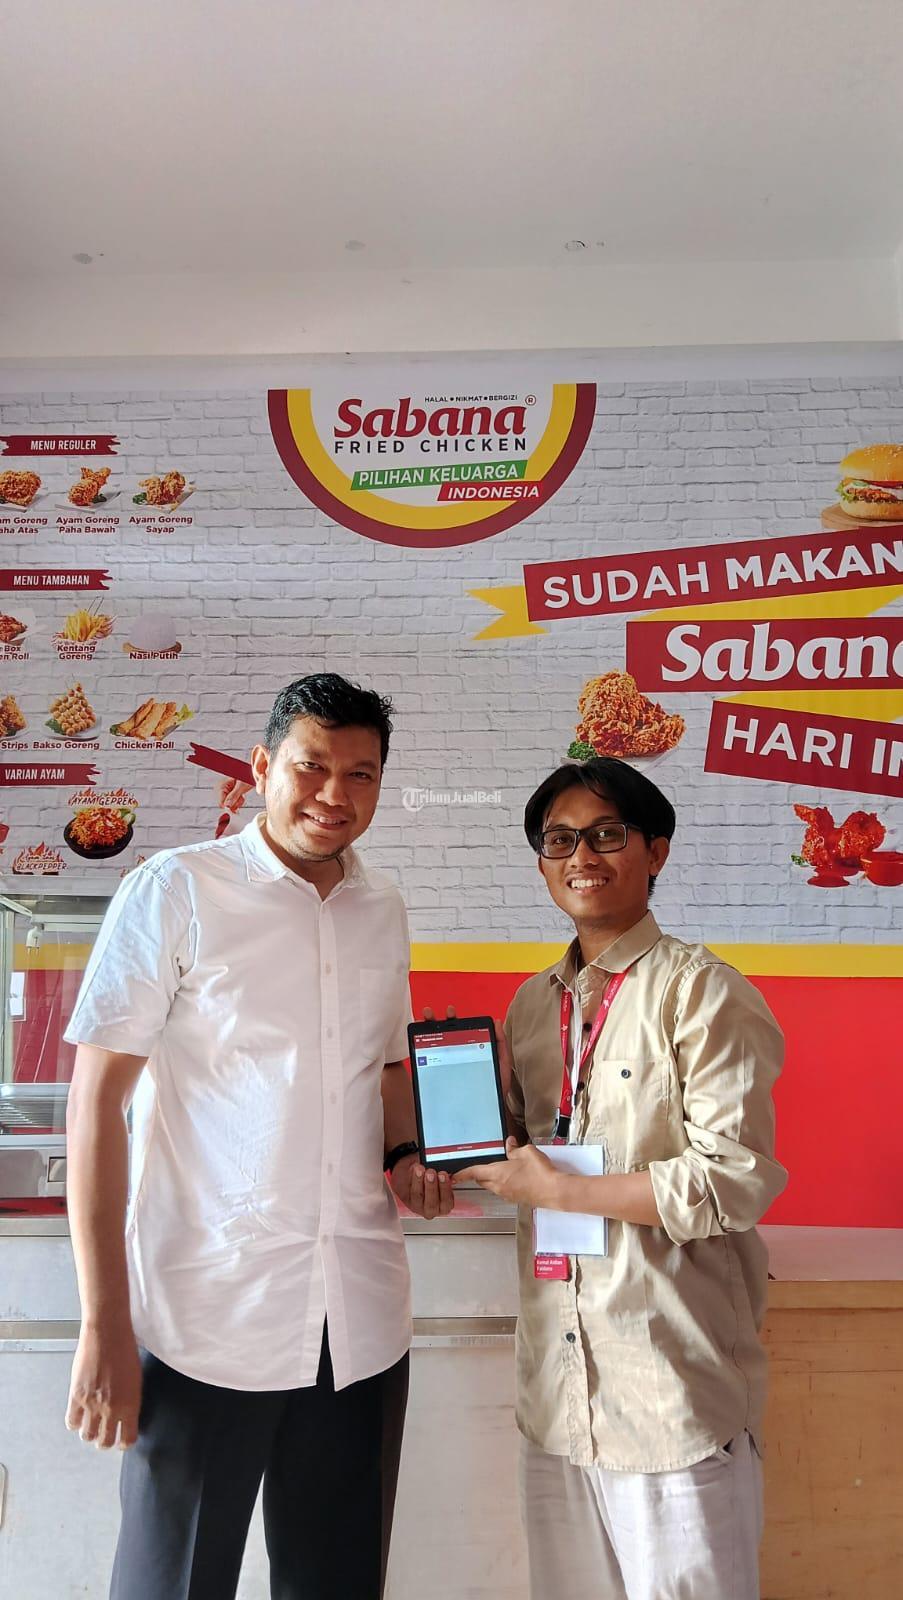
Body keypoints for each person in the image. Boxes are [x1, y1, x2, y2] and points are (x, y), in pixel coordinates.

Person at [63, 672, 452, 1600]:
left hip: (356, 1323)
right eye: (311, 766)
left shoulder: (381, 907)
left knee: (337, 1583)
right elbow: (94, 1106)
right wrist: (104, 1324)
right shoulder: (176, 890)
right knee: (170, 1583)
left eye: (360, 774)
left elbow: (384, 1067)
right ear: (261, 766)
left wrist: (406, 1155)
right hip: (206, 1319)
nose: (333, 794)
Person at [458, 756, 787, 1600]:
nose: (581, 856)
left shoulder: (701, 994)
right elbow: (520, 1149)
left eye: (606, 835)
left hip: (666, 1389)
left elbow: (730, 1181)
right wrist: (443, 1154)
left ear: (655, 852)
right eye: (559, 840)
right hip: (558, 1396)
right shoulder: (531, 1006)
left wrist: (562, 1192)